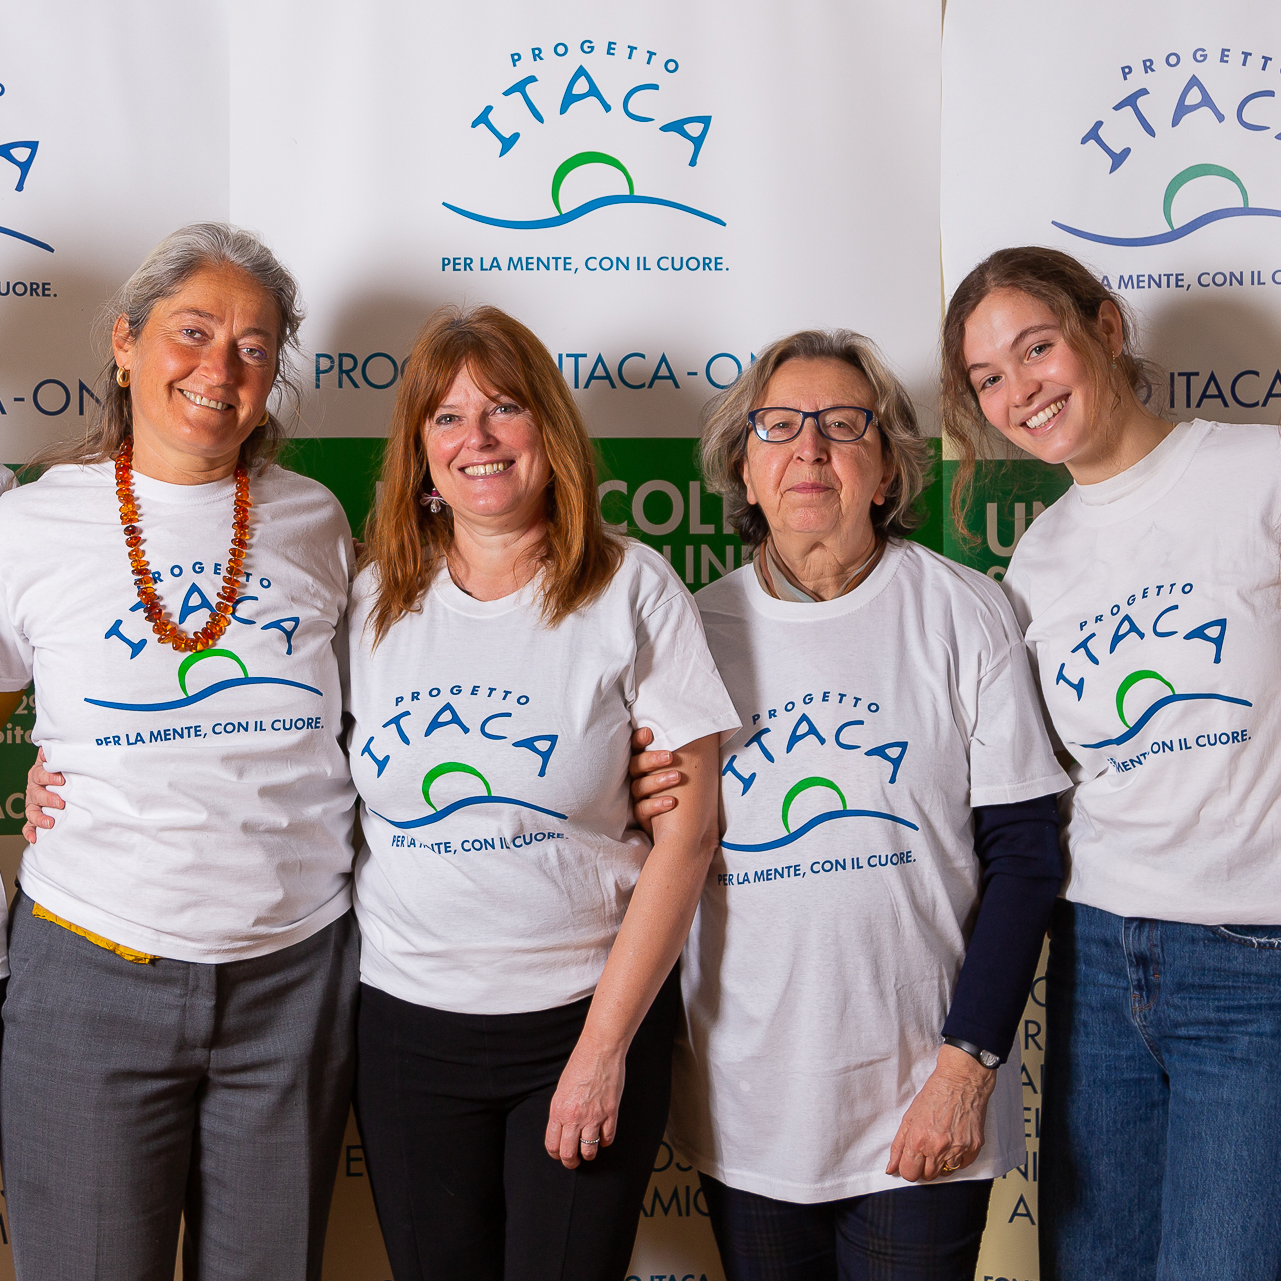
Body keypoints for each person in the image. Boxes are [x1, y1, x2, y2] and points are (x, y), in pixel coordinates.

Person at [631, 329, 1068, 1281]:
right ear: (744, 470)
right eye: (779, 426)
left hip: (923, 1094)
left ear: (887, 469)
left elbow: (1027, 855)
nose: (809, 448)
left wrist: (966, 1067)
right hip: (749, 1105)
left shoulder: (964, 611)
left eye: (841, 425)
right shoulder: (685, 631)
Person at [346, 304, 739, 1281]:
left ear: (548, 429)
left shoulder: (632, 587)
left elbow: (688, 837)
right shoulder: (367, 600)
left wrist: (603, 1050)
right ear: (419, 453)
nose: (476, 437)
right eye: (446, 416)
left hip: (582, 1016)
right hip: (405, 1028)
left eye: (504, 408)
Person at [0, 223, 359, 1281]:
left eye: (254, 347)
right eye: (192, 332)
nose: (220, 368)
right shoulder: (30, 526)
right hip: (91, 969)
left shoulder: (315, 521)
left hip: (295, 978)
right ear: (125, 343)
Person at [942, 245, 1281, 1280]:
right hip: (1096, 958)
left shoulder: (1257, 473)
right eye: (987, 377)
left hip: (1254, 961)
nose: (1019, 390)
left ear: (1106, 329)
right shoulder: (1037, 559)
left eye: (1035, 348)